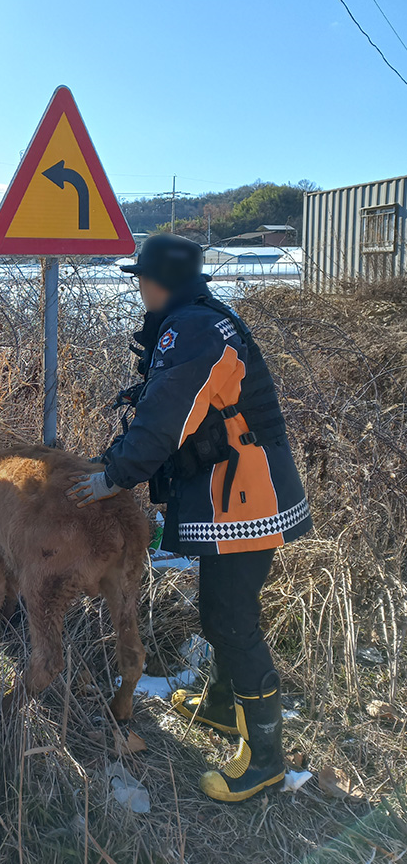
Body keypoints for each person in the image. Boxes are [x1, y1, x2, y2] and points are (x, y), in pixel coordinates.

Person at [67, 233, 312, 803]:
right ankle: (226, 708)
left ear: (163, 281)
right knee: (220, 606)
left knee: (230, 619)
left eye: (141, 279)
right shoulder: (203, 319)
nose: (138, 289)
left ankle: (265, 762)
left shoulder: (193, 328)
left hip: (247, 494)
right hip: (240, 487)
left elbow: (167, 414)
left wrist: (115, 474)